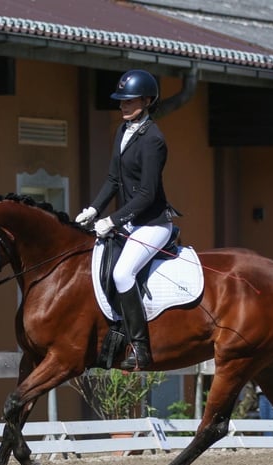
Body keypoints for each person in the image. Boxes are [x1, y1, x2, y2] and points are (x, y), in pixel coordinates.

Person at [75, 69, 179, 370]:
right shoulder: (124, 131)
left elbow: (147, 194)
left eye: (128, 100)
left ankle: (141, 349)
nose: (122, 105)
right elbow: (112, 179)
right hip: (130, 222)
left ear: (147, 100)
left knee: (122, 274)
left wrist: (113, 220)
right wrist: (93, 209)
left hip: (153, 225)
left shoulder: (154, 140)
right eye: (120, 100)